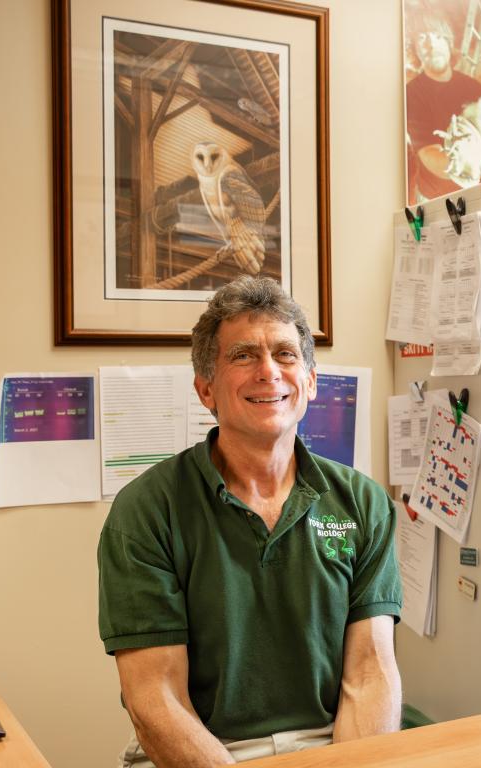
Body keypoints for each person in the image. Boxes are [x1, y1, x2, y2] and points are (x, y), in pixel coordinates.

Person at [97, 276, 402, 767]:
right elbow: (156, 699)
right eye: (242, 356)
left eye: (285, 354)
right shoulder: (148, 510)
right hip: (201, 752)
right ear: (205, 388)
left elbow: (370, 676)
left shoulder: (363, 504)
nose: (268, 372)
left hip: (332, 745)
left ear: (310, 380)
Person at [404, 10, 481, 202]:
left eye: (439, 37)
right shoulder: (412, 93)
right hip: (436, 198)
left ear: (449, 43)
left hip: (480, 192)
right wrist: (464, 165)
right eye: (422, 38)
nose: (432, 45)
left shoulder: (475, 88)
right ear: (415, 49)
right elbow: (429, 153)